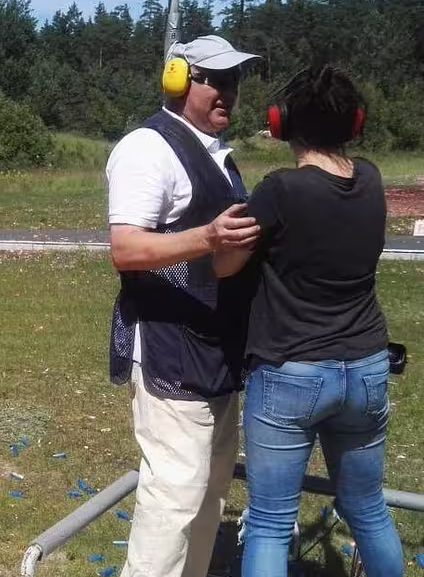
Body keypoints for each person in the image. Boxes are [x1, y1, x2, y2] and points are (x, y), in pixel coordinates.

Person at [214, 65, 403, 577]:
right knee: (368, 508)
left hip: (290, 372)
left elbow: (226, 265)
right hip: (365, 366)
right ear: (354, 122)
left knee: (272, 524)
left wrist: (216, 238)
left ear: (282, 123)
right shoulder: (371, 177)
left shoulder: (280, 190)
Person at [106, 34, 262, 577]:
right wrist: (210, 239)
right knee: (173, 498)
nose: (227, 91)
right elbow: (125, 249)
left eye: (234, 80)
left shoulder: (217, 153)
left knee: (210, 491)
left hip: (215, 347)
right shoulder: (146, 149)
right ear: (178, 79)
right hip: (172, 348)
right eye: (214, 79)